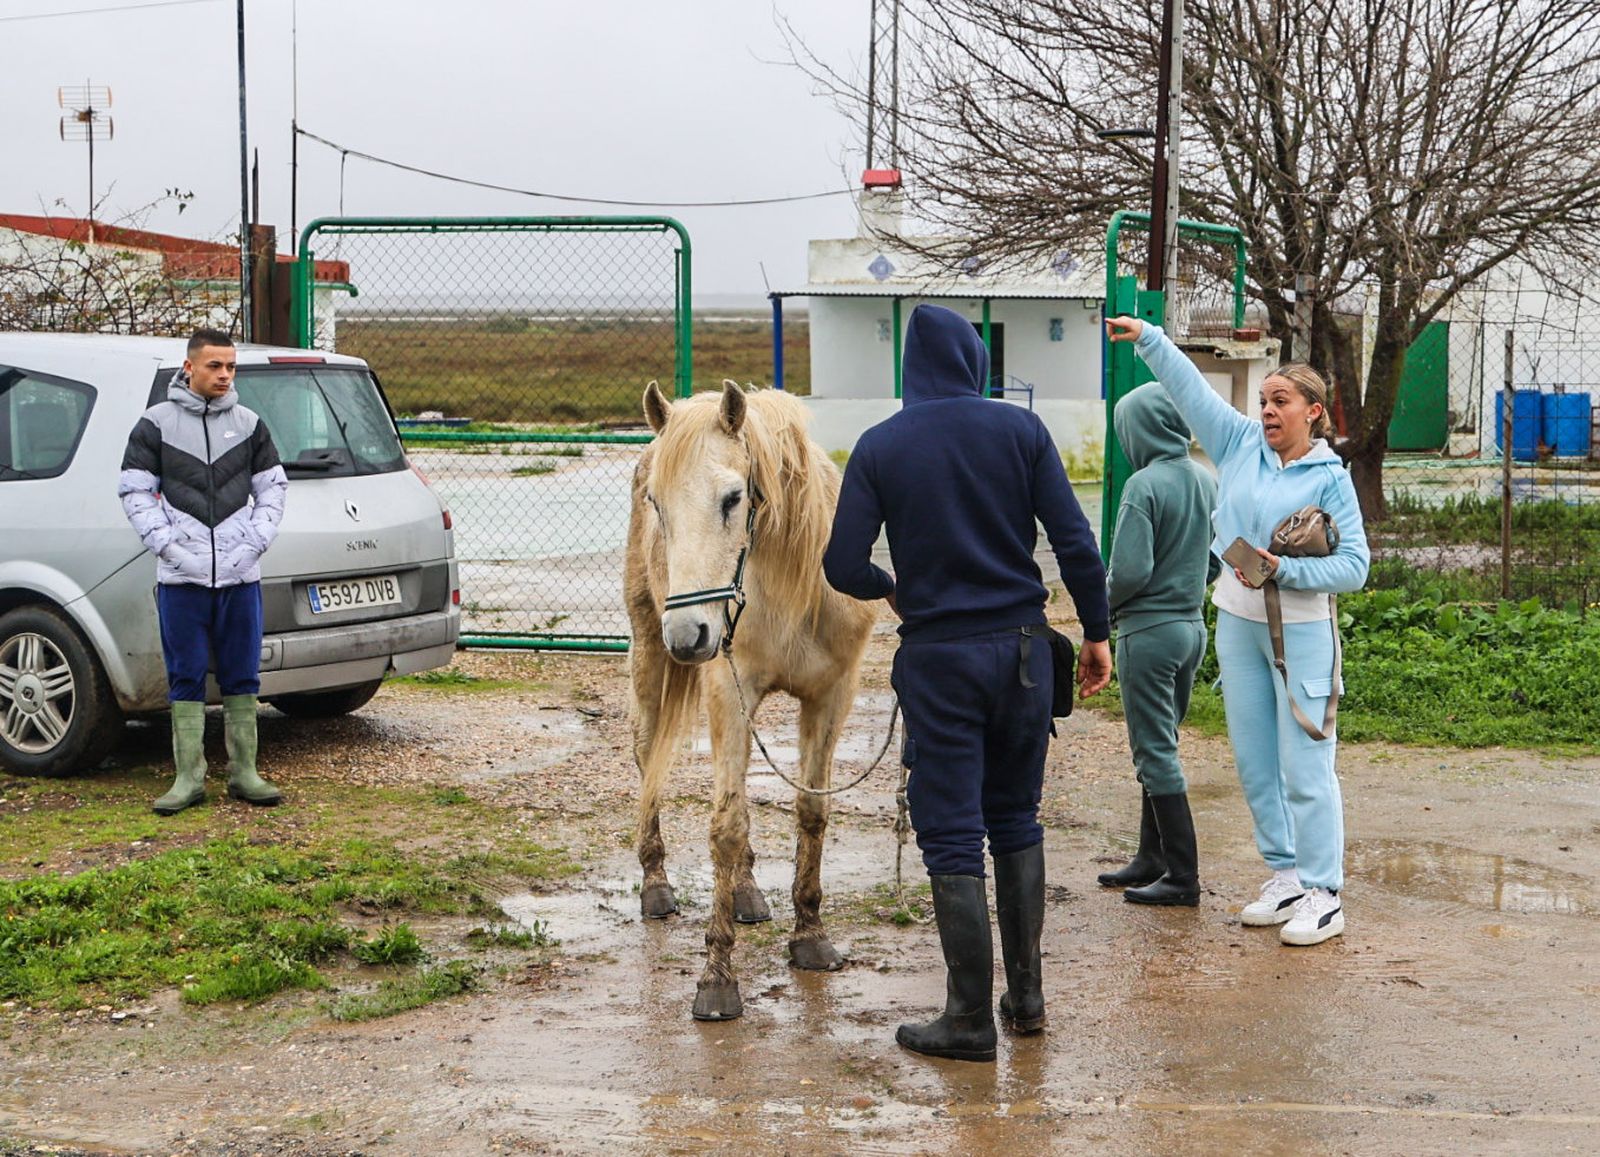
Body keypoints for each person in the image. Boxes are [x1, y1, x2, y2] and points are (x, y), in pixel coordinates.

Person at [823, 303, 1112, 1062]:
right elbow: (1075, 541)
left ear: (911, 369)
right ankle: (1027, 1000)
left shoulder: (881, 446)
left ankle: (967, 1018)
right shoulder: (1021, 431)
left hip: (941, 659)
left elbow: (839, 564)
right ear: (972, 362)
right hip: (1023, 651)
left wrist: (893, 584)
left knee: (952, 832)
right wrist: (1098, 631)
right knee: (1016, 818)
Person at [1106, 316, 1368, 947]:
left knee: (1306, 763)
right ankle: (1283, 875)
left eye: (1281, 402)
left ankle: (1324, 892)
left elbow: (1355, 567)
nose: (1268, 411)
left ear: (1312, 413)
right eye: (1264, 401)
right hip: (1238, 628)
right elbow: (1189, 388)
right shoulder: (1239, 444)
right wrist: (1148, 337)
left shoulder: (1330, 478)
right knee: (1255, 763)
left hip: (1302, 632)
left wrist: (1286, 568)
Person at [119, 328, 288, 815]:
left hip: (241, 576)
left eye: (231, 366)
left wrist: (253, 545)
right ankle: (188, 778)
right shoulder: (155, 425)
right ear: (189, 367)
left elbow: (273, 491)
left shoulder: (251, 424)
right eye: (215, 365)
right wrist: (168, 548)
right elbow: (133, 492)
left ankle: (245, 773)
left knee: (242, 675)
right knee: (185, 676)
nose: (225, 374)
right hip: (181, 579)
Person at [1099, 382, 1219, 906]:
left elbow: (1129, 569)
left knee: (1154, 751)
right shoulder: (1206, 480)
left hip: (1147, 632)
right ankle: (1153, 858)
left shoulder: (1143, 486)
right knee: (1163, 743)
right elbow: (1219, 557)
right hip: (1192, 629)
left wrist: (1099, 605)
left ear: (1138, 429)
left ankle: (1183, 878)